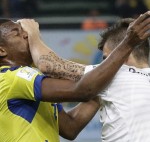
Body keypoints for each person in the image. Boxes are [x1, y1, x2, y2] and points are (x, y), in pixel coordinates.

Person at [0, 11, 150, 142]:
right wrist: (35, 36)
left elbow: (70, 127)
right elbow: (83, 90)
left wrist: (104, 80)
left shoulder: (33, 83)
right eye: (17, 33)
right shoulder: (10, 77)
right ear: (1, 50)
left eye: (25, 31)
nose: (27, 34)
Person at [85, 18, 150, 141]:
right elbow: (71, 126)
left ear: (123, 57)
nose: (103, 65)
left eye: (106, 59)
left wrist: (35, 37)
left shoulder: (119, 77)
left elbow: (48, 65)